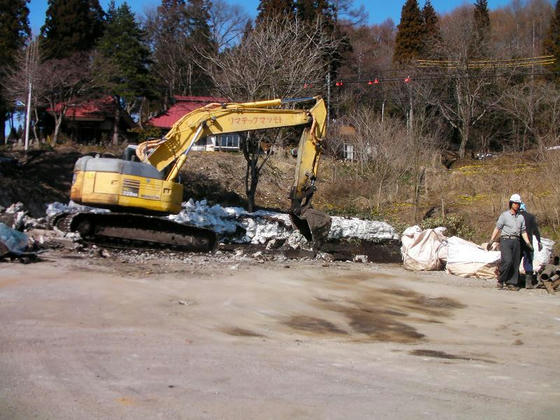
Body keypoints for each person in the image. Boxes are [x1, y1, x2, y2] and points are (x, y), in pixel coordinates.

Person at [487, 193, 534, 291]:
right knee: (507, 261)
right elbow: (497, 228)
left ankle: (511, 283)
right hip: (505, 240)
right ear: (511, 204)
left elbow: (523, 231)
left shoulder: (521, 218)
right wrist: (491, 240)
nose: (517, 205)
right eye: (515, 203)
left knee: (515, 263)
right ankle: (501, 280)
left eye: (518, 203)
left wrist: (528, 243)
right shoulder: (504, 215)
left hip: (516, 241)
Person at [519, 203, 542, 289]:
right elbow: (536, 230)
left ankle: (514, 281)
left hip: (517, 243)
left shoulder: (515, 216)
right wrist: (539, 241)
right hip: (528, 243)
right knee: (528, 260)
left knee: (516, 261)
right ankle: (528, 283)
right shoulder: (531, 217)